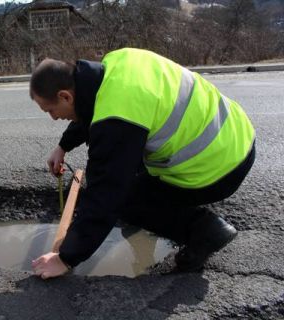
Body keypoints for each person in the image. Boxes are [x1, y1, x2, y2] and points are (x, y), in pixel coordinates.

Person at [29, 48, 256, 280]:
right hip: (238, 137)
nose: (54, 117)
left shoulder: (117, 117)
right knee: (130, 163)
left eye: (51, 110)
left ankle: (205, 230)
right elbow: (95, 106)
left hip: (219, 169)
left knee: (125, 198)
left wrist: (65, 258)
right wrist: (64, 145)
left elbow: (106, 194)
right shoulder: (118, 63)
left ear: (65, 96)